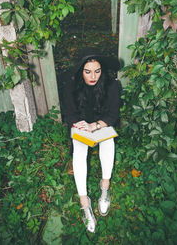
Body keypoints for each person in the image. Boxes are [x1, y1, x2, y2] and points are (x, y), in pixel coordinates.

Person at [63, 47, 120, 233]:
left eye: (97, 71)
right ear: (81, 72)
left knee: (108, 141)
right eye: (88, 72)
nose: (93, 76)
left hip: (100, 125)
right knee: (79, 150)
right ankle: (84, 202)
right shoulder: (71, 86)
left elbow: (113, 115)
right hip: (81, 127)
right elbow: (69, 114)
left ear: (102, 70)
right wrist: (80, 125)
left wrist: (95, 126)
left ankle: (105, 187)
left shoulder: (112, 86)